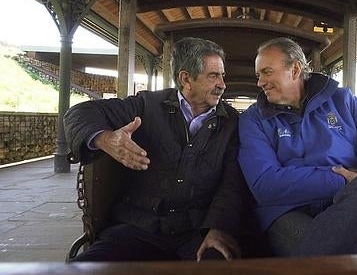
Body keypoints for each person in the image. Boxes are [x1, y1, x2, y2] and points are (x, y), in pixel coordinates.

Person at [64, 37, 249, 261]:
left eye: (222, 76)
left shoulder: (231, 123)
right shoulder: (147, 106)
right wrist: (105, 139)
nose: (222, 84)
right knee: (81, 272)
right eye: (213, 76)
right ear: (186, 78)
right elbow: (78, 114)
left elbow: (232, 183)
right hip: (137, 228)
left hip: (198, 234)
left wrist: (219, 228)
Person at [238, 37, 357, 257]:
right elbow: (265, 185)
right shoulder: (254, 120)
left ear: (294, 70)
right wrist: (346, 181)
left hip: (346, 206)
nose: (260, 82)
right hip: (285, 212)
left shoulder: (343, 101)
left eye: (267, 72)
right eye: (258, 75)